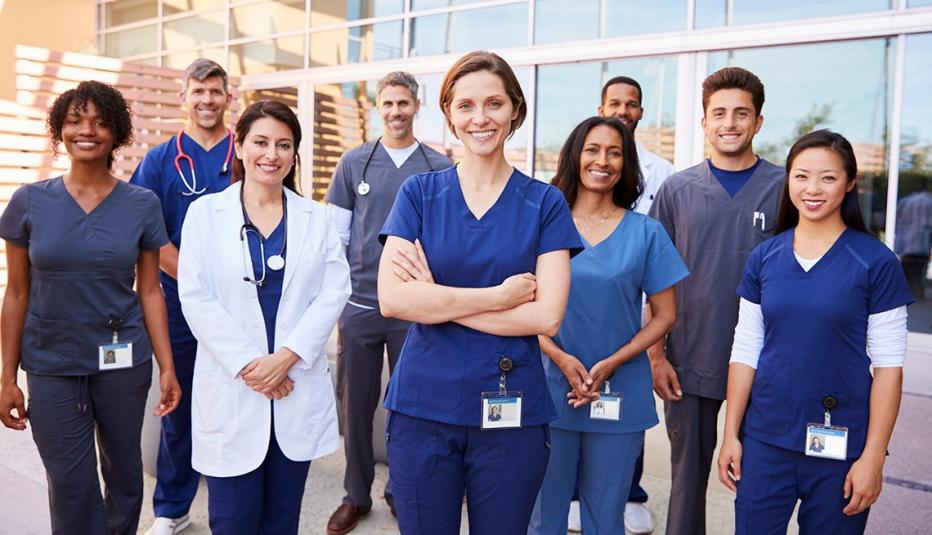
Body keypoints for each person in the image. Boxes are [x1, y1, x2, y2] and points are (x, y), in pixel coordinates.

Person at [378, 50, 583, 534]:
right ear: (449, 113)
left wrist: (435, 298)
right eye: (466, 105)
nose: (480, 118)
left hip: (511, 412)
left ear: (514, 109)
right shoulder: (419, 194)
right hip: (424, 407)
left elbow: (546, 317)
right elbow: (394, 300)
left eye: (494, 103)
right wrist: (498, 297)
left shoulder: (545, 203)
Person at [0, 80, 181, 535]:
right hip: (51, 361)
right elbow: (17, 292)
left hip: (122, 361)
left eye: (100, 122)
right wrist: (6, 377)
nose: (87, 130)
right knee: (70, 482)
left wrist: (167, 367)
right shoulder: (28, 202)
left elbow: (151, 291)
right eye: (75, 120)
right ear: (59, 129)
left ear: (116, 132)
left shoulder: (141, 204)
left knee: (124, 473)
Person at [717, 129, 912, 534]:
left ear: (850, 183)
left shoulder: (876, 262)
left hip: (842, 446)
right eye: (802, 176)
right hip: (766, 439)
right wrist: (731, 434)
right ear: (788, 179)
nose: (813, 189)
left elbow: (889, 368)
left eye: (828, 178)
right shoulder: (765, 257)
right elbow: (745, 350)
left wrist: (873, 457)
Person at [177, 100, 351, 534]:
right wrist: (253, 367)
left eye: (283, 145)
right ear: (238, 146)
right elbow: (195, 297)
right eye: (260, 142)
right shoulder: (205, 214)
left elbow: (334, 291)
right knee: (233, 520)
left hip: (293, 384)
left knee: (282, 521)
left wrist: (287, 357)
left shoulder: (318, 218)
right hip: (236, 385)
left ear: (294, 154)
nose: (271, 154)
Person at [529, 116, 688, 535]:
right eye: (593, 150)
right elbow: (522, 304)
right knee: (543, 517)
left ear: (626, 163)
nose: (603, 160)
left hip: (618, 391)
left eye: (615, 152)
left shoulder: (646, 232)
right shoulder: (543, 223)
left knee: (605, 517)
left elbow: (665, 314)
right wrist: (558, 355)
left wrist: (615, 361)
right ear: (575, 156)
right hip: (549, 387)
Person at [647, 67, 784, 535]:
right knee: (687, 484)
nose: (730, 123)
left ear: (758, 122)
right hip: (690, 354)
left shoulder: (786, 189)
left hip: (767, 360)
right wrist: (656, 355)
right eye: (719, 113)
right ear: (704, 122)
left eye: (741, 113)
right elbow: (655, 280)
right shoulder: (677, 190)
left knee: (761, 483)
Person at [324, 71, 451, 535]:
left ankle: (401, 489)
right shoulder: (354, 163)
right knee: (355, 405)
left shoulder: (439, 167)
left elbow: (446, 237)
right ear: (378, 108)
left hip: (414, 308)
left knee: (410, 405)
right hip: (360, 306)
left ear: (417, 105)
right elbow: (335, 239)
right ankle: (355, 495)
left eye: (403, 102)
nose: (396, 111)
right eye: (388, 103)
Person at [131, 58, 236, 535]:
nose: (207, 100)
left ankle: (233, 505)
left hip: (240, 303)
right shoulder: (159, 161)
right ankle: (173, 508)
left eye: (215, 91)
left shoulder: (246, 152)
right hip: (176, 305)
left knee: (238, 400)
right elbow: (150, 235)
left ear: (228, 97)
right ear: (183, 97)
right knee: (179, 403)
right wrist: (199, 282)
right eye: (198, 91)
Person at [587, 74, 679, 535]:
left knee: (627, 402)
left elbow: (661, 254)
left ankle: (629, 494)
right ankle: (577, 494)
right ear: (601, 108)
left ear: (641, 112)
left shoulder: (662, 173)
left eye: (632, 103)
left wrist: (656, 347)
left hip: (638, 309)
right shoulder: (584, 168)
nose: (623, 110)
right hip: (589, 301)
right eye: (615, 103)